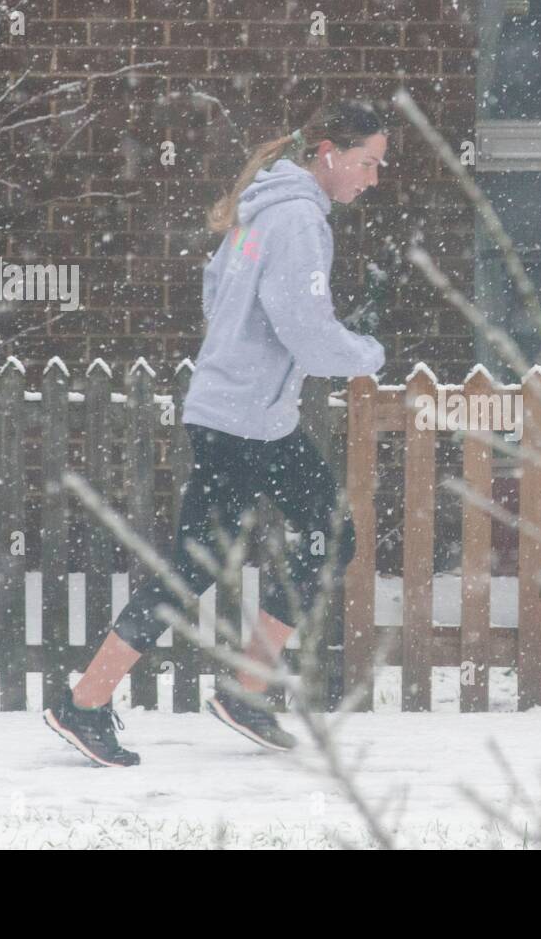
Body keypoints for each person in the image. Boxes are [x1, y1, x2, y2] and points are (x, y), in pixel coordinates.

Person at [43, 99, 388, 767]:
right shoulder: (297, 219)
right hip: (255, 423)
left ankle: (87, 701)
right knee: (331, 535)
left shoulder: (258, 212)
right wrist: (368, 353)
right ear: (327, 152)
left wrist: (248, 356)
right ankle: (247, 688)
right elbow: (311, 337)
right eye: (367, 162)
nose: (372, 178)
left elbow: (213, 294)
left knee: (195, 563)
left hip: (223, 411)